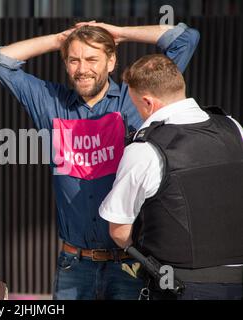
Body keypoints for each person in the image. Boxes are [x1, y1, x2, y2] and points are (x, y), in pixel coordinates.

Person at [0, 21, 200, 299]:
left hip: (130, 264)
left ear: (111, 61)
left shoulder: (131, 99)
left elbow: (185, 39)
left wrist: (120, 33)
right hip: (74, 264)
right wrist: (59, 39)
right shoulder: (51, 102)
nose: (82, 69)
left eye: (92, 59)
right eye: (73, 60)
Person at [99, 54, 243, 300]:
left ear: (148, 103)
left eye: (136, 106)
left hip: (181, 287)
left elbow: (119, 230)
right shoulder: (233, 127)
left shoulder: (144, 149)